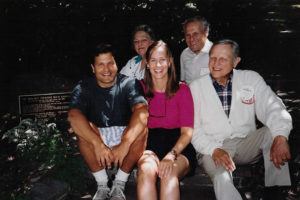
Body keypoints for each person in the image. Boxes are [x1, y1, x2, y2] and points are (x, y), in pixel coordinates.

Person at [189, 39, 293, 200]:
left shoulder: (250, 79)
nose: (216, 63)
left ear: (236, 61)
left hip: (245, 144)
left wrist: (281, 136)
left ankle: (277, 191)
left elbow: (274, 107)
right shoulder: (196, 87)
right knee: (221, 177)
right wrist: (214, 149)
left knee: (273, 133)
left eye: (223, 59)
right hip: (212, 147)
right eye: (213, 58)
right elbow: (193, 129)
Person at [68, 43, 148, 200]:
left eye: (110, 63)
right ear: (93, 68)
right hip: (98, 135)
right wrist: (98, 144)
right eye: (101, 65)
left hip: (125, 134)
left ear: (116, 63)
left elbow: (142, 111)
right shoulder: (84, 86)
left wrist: (125, 143)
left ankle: (120, 183)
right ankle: (102, 184)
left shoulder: (129, 83)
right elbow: (73, 115)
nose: (107, 69)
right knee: (82, 128)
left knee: (143, 127)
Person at [136, 40, 197, 200]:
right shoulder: (139, 89)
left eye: (162, 60)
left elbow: (187, 133)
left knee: (168, 175)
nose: (158, 65)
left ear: (169, 62)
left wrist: (172, 154)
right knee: (145, 172)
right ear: (147, 64)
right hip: (150, 144)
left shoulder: (182, 90)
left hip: (178, 145)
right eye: (153, 60)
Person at [180, 16, 213, 84]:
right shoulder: (184, 54)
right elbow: (183, 81)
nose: (191, 39)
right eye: (188, 35)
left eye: (196, 34)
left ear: (206, 32)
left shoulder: (216, 53)